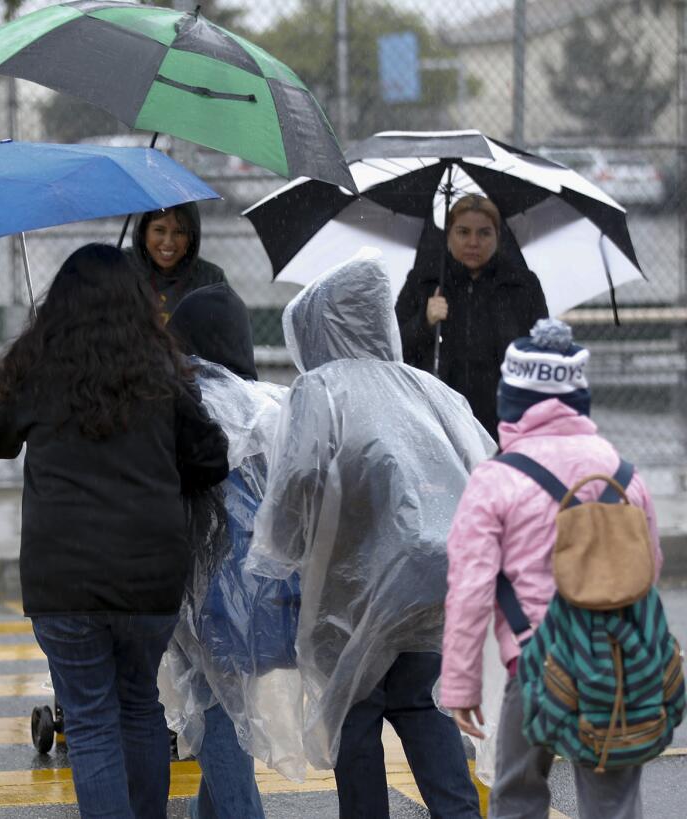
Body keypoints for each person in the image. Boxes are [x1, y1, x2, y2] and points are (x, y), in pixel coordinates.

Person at [0, 243, 228, 819]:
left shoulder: (37, 370)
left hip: (62, 578)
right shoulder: (164, 372)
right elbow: (210, 459)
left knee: (90, 719)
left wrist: (12, 386)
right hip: (150, 576)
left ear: (59, 305)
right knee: (140, 705)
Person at [249, 250, 493, 819]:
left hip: (355, 591)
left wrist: (277, 553)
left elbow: (298, 482)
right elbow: (482, 463)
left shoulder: (320, 390)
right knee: (419, 704)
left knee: (355, 718)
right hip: (438, 576)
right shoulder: (427, 390)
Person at [441, 319, 663, 818]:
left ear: (511, 398)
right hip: (618, 663)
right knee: (613, 804)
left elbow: (470, 588)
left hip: (536, 662)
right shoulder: (622, 472)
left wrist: (461, 684)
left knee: (518, 796)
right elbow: (648, 568)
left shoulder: (494, 479)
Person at [161, 282, 295, 818]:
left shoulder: (191, 404)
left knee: (213, 712)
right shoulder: (270, 404)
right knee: (228, 710)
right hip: (268, 597)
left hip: (204, 597)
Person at [395, 193, 548, 438]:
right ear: (449, 235)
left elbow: (542, 354)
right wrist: (425, 322)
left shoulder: (521, 285)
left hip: (505, 421)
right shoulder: (424, 281)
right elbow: (394, 349)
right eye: (463, 232)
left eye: (484, 233)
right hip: (439, 420)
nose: (473, 242)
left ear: (498, 236)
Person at [126, 202, 226, 324]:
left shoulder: (210, 279)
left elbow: (224, 334)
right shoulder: (119, 269)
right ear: (143, 233)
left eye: (179, 232)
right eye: (159, 230)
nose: (168, 242)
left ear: (191, 237)